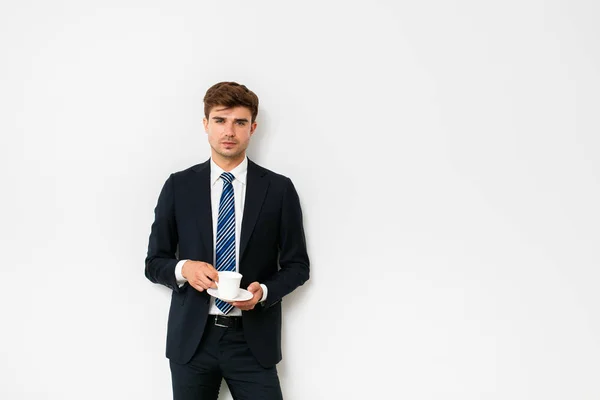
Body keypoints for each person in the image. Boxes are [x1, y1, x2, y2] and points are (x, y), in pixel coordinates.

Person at [145, 81, 310, 400]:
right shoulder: (179, 186)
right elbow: (155, 262)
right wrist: (184, 269)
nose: (229, 131)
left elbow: (297, 266)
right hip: (192, 341)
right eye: (220, 120)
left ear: (253, 128)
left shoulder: (278, 190)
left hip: (252, 342)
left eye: (240, 122)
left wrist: (263, 292)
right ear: (206, 124)